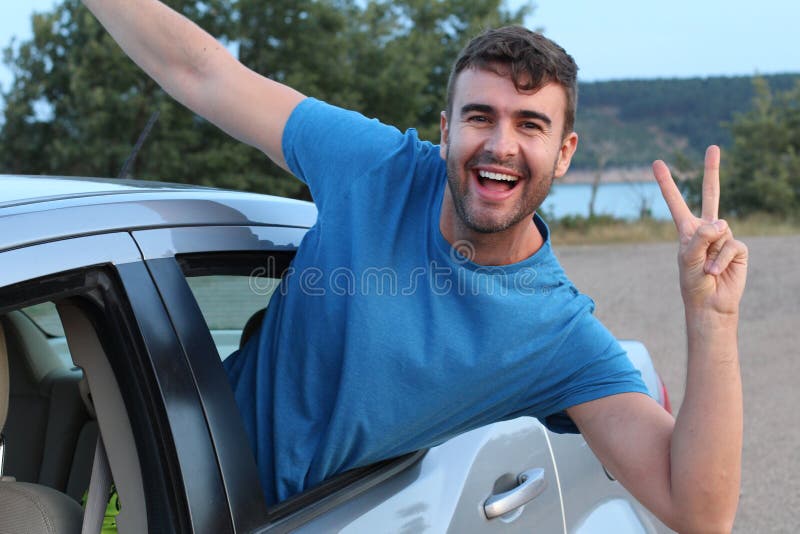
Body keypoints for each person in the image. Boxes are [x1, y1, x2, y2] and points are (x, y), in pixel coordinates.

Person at [83, 2, 748, 531]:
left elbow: (699, 512)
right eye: (480, 116)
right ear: (445, 129)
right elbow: (205, 74)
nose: (500, 144)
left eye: (530, 125)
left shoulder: (555, 333)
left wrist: (712, 321)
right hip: (146, 486)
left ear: (565, 152)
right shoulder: (378, 166)